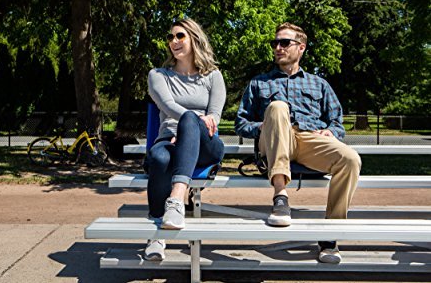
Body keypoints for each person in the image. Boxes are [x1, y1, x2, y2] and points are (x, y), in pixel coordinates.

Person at [235, 22, 361, 264]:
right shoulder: (259, 83)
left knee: (350, 159)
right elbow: (241, 123)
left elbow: (337, 121)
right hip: (271, 141)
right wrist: (263, 126)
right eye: (275, 43)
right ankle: (280, 198)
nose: (278, 48)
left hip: (307, 139)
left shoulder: (319, 84)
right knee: (278, 107)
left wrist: (331, 132)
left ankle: (330, 236)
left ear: (301, 47)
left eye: (285, 42)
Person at [144, 18, 226, 261]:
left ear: (194, 38)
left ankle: (177, 199)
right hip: (169, 141)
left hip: (205, 146)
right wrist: (189, 121)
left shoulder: (213, 76)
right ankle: (157, 233)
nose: (173, 42)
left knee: (190, 120)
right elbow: (168, 106)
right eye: (170, 38)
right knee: (158, 158)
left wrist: (191, 125)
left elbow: (215, 117)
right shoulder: (158, 75)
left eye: (180, 36)